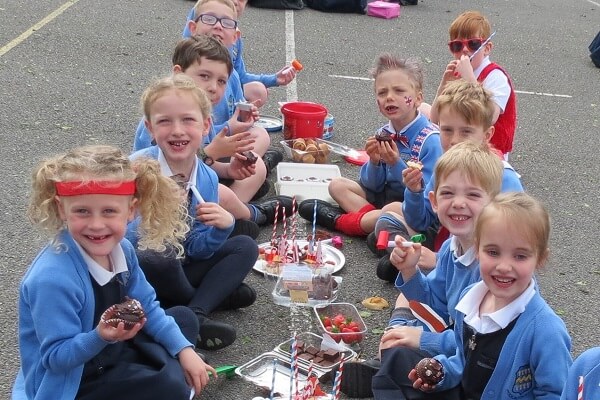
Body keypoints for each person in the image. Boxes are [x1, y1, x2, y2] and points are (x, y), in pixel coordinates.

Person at [12, 144, 215, 400]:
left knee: (183, 319)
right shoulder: (52, 279)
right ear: (62, 209)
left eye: (109, 211)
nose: (96, 225)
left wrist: (184, 351)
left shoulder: (124, 250)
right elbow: (56, 358)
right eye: (82, 211)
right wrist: (100, 336)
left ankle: (174, 366)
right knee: (170, 385)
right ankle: (170, 375)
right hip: (75, 379)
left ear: (131, 210)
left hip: (113, 348)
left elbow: (148, 306)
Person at [340, 141, 503, 399]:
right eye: (448, 194)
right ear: (434, 201)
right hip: (457, 355)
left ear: (494, 203)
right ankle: (388, 373)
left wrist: (423, 340)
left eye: (472, 195)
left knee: (398, 358)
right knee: (398, 353)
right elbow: (434, 302)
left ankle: (386, 374)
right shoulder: (452, 248)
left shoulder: (494, 268)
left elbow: (479, 345)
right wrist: (409, 271)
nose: (458, 203)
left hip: (482, 375)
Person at [128, 74, 259, 351]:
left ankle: (195, 313)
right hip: (143, 273)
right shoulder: (135, 170)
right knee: (157, 253)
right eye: (165, 121)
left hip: (183, 265)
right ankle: (204, 299)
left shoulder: (207, 178)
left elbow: (198, 250)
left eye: (188, 120)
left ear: (205, 125)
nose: (177, 130)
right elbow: (122, 243)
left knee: (245, 246)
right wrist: (158, 215)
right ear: (150, 129)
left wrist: (220, 229)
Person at [402, 192, 572, 399]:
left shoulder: (546, 331)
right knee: (399, 360)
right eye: (493, 252)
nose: (503, 267)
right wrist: (442, 373)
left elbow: (557, 392)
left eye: (520, 256)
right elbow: (462, 359)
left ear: (540, 259)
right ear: (477, 249)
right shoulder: (470, 299)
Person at [133, 34, 292, 231]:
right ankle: (251, 214)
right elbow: (170, 168)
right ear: (178, 73)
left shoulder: (200, 111)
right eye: (204, 76)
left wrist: (228, 170)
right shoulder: (164, 113)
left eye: (221, 81)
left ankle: (235, 200)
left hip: (193, 178)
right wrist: (212, 153)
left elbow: (196, 164)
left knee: (256, 158)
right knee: (225, 196)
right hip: (164, 194)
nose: (213, 88)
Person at [372, 80, 523, 282]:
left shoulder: (504, 176)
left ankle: (412, 264)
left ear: (487, 135)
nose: (454, 140)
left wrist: (437, 260)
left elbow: (514, 246)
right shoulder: (445, 166)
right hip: (448, 244)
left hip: (479, 266)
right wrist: (414, 191)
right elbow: (421, 221)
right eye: (447, 130)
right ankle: (410, 260)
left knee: (408, 300)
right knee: (388, 218)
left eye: (466, 132)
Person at [298, 53, 442, 238]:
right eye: (382, 93)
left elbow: (425, 195)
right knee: (337, 185)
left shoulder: (431, 141)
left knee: (393, 208)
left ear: (418, 98)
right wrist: (373, 162)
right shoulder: (383, 132)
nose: (389, 97)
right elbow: (371, 185)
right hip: (382, 201)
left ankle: (343, 222)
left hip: (412, 210)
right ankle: (372, 222)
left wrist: (395, 164)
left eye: (399, 91)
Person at [186, 0, 283, 200]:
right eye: (204, 76)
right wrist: (229, 130)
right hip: (184, 169)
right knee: (230, 190)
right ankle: (242, 207)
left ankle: (238, 186)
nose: (213, 86)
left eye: (227, 22)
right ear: (192, 28)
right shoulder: (179, 94)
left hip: (213, 154)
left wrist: (243, 119)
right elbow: (181, 158)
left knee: (260, 138)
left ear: (235, 37)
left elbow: (235, 115)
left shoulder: (233, 75)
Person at [426, 10, 516, 160]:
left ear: (487, 48)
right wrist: (443, 85)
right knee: (422, 108)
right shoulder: (457, 74)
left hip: (488, 151)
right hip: (457, 141)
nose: (465, 50)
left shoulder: (496, 77)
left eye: (473, 44)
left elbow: (489, 117)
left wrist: (469, 79)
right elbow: (435, 118)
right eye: (457, 46)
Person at [182, 0, 297, 107]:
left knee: (258, 91)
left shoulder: (233, 38)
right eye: (210, 19)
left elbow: (241, 75)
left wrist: (275, 79)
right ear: (193, 28)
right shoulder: (198, 37)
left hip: (225, 94)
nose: (236, 2)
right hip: (198, 101)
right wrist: (230, 127)